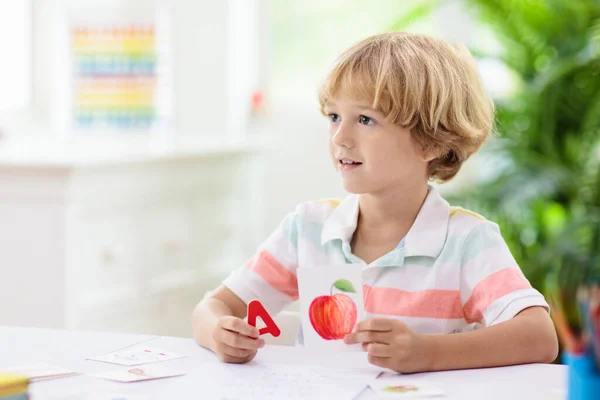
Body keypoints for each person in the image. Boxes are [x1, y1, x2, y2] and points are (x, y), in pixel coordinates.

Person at [191, 32, 559, 373]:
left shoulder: (467, 241)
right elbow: (212, 308)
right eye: (334, 116)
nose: (340, 137)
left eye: (365, 119)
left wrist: (428, 353)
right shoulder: (307, 228)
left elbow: (540, 337)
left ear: (429, 142)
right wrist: (219, 333)